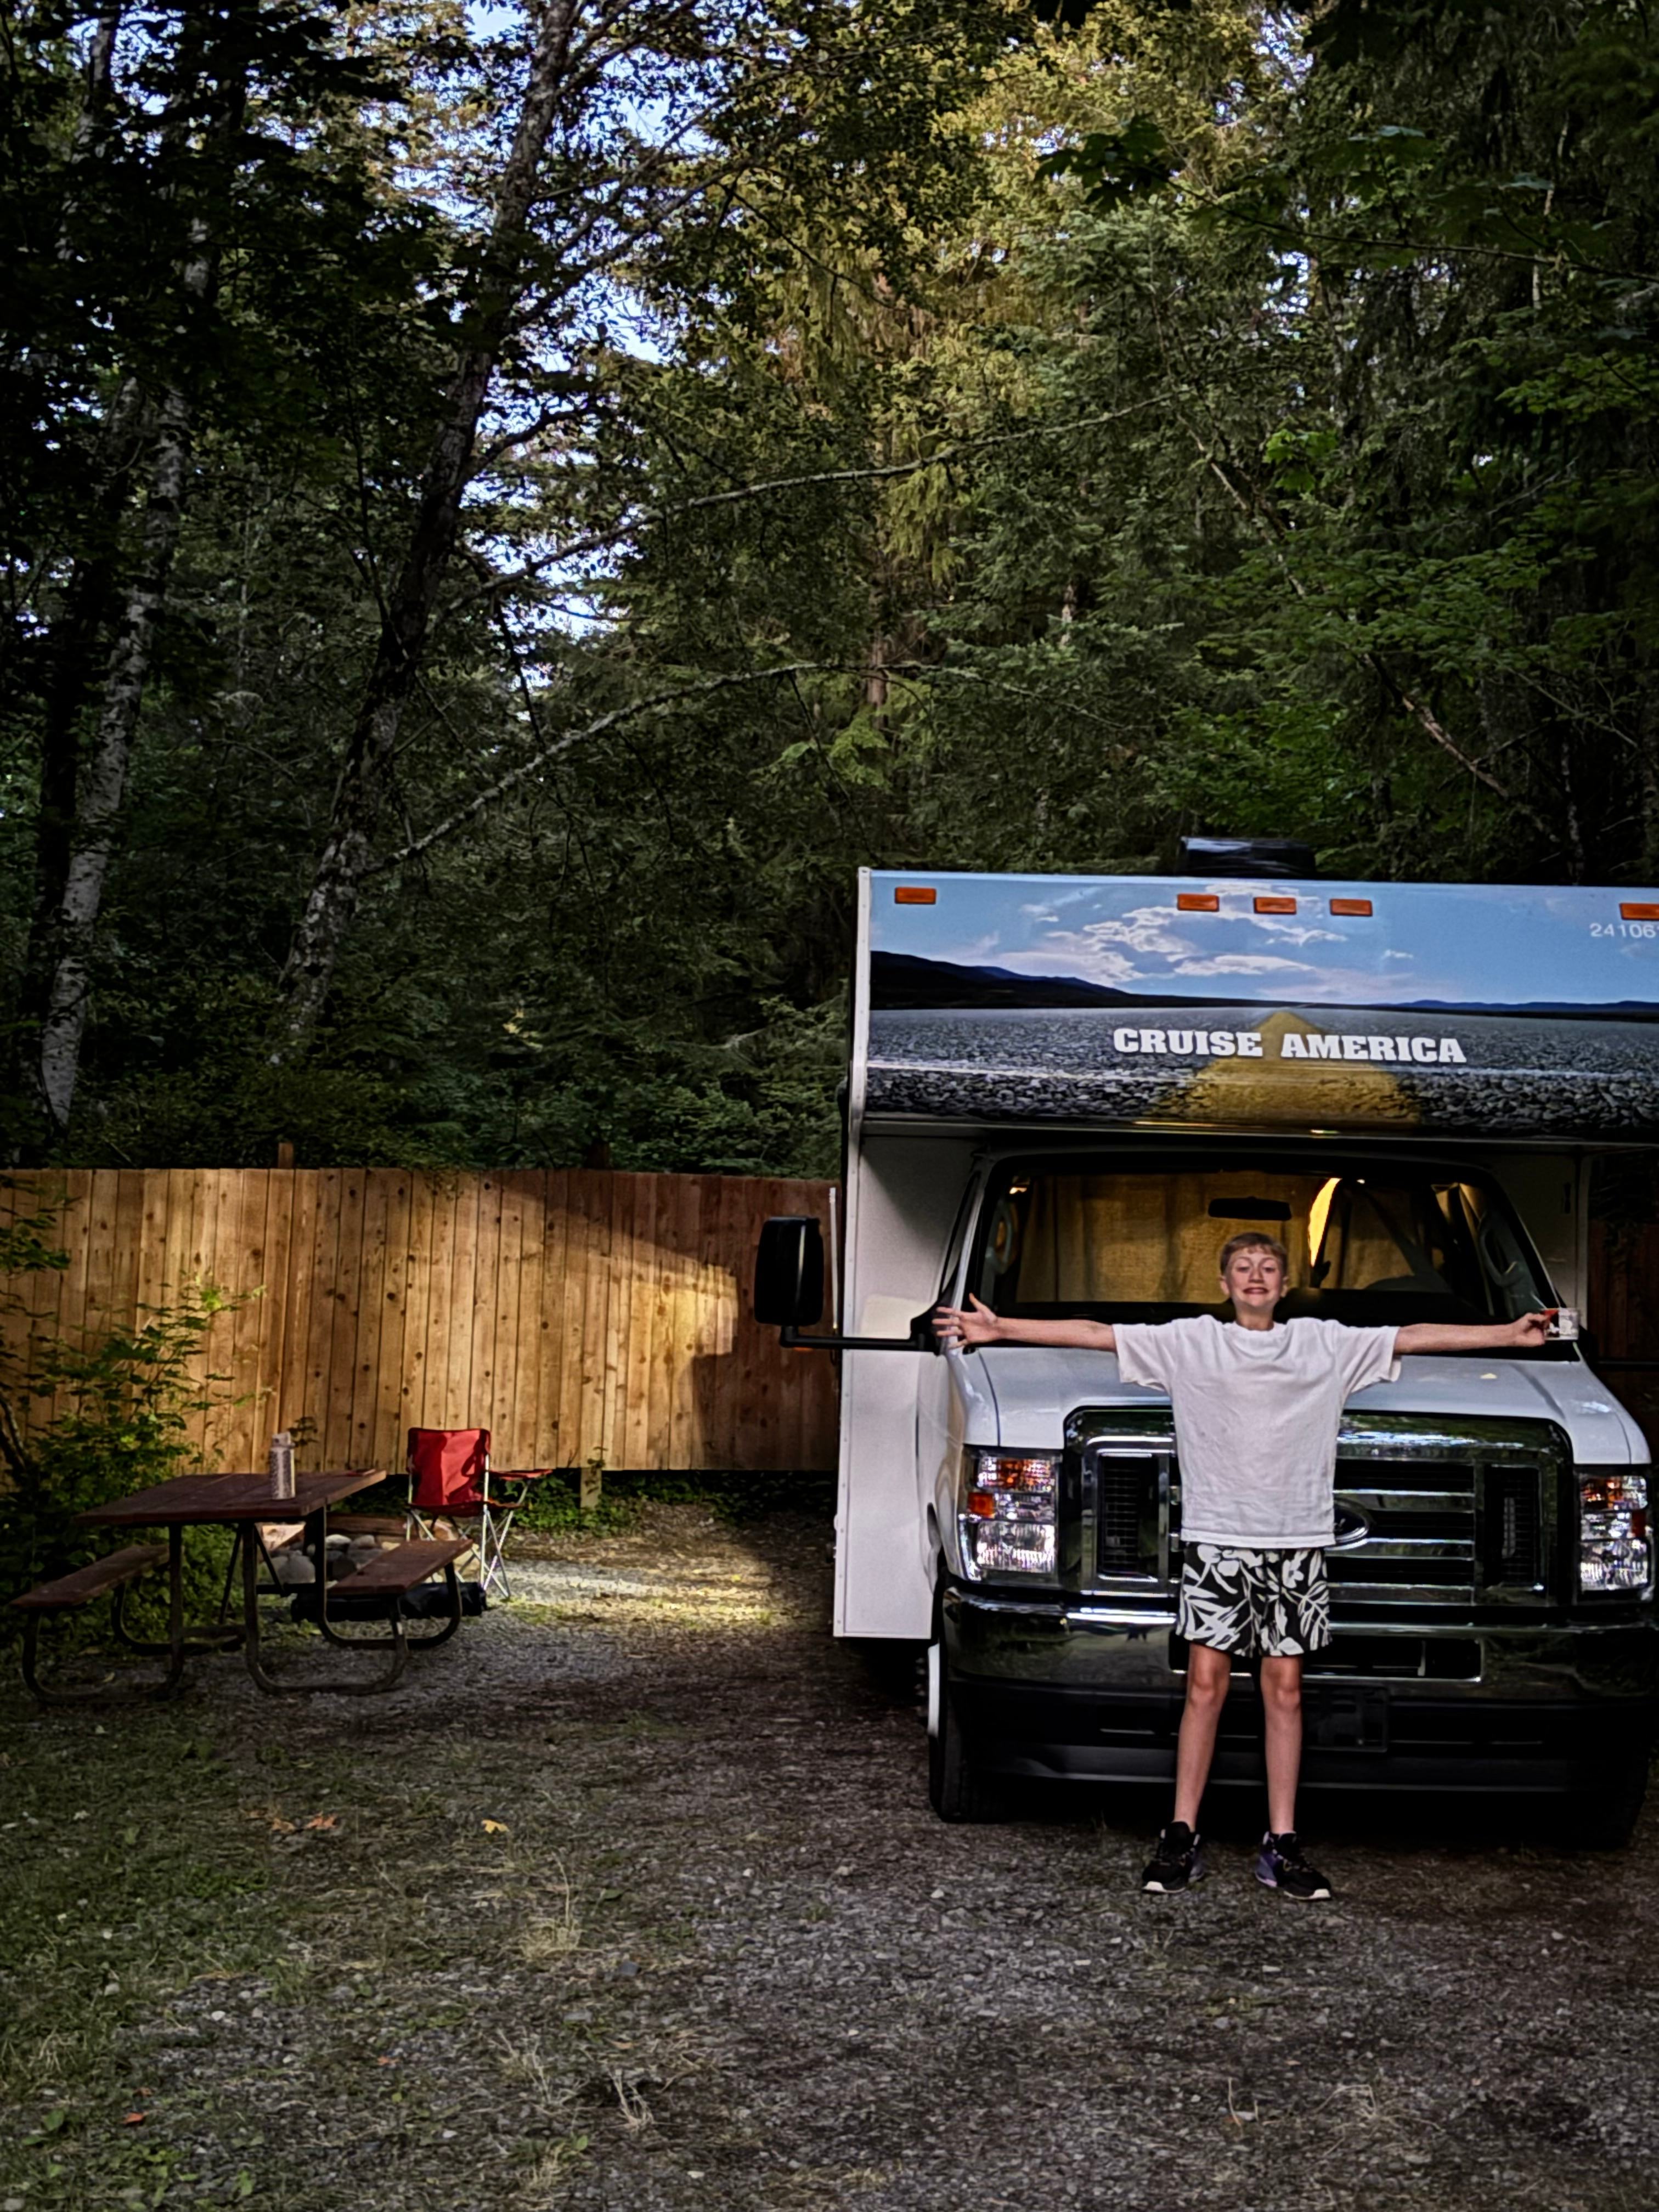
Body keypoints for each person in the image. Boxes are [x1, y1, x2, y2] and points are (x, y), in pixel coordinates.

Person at [934, 1230, 1551, 1900]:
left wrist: (1509, 1335)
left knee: (1284, 1690)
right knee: (1206, 1687)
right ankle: (1180, 1834)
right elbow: (1097, 1332)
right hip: (1218, 1542)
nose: (1255, 1277)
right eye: (1242, 1268)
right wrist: (999, 1329)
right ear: (1225, 1284)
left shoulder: (1324, 1343)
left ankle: (1281, 1844)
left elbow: (1413, 1335)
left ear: (1285, 1285)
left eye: (1268, 1268)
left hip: (1296, 1542)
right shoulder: (1191, 1341)